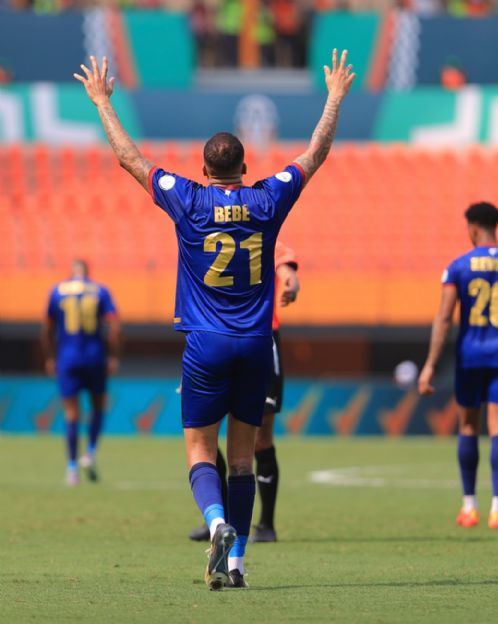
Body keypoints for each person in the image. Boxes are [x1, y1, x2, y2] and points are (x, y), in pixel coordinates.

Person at [74, 50, 354, 590]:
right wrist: (335, 96)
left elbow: (131, 159)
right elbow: (315, 153)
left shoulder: (190, 200)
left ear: (204, 169)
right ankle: (238, 564)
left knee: (201, 452)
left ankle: (216, 523)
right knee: (244, 456)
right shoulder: (268, 198)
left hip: (204, 344)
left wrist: (104, 102)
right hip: (255, 343)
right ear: (244, 168)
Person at [418, 202, 498, 529]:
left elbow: (444, 318)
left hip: (470, 357)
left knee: (467, 428)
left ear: (473, 228)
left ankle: (469, 507)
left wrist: (430, 364)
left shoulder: (458, 267)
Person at [188, 241, 300, 544]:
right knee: (207, 434)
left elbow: (282, 255)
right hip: (213, 338)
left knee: (261, 436)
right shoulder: (210, 223)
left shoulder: (260, 220)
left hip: (260, 338)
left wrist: (288, 272)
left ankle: (266, 524)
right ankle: (218, 520)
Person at [42, 259, 120, 486]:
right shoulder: (100, 291)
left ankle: (72, 469)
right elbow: (115, 326)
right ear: (88, 272)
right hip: (95, 357)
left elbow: (46, 328)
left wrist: (49, 357)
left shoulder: (56, 291)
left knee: (71, 413)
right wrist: (113, 355)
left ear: (71, 272)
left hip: (67, 359)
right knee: (98, 406)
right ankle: (90, 452)